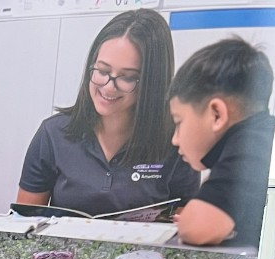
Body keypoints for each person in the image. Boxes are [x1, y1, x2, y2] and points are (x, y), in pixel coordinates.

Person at [16, 10, 199, 218]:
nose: (109, 87)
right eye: (102, 71)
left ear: (152, 83)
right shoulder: (53, 133)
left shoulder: (177, 142)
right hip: (64, 251)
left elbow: (188, 221)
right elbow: (23, 224)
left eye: (127, 77)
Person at [169, 37, 275, 248]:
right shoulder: (264, 133)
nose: (175, 139)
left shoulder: (251, 144)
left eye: (178, 122)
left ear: (217, 114)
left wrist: (196, 218)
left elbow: (199, 228)